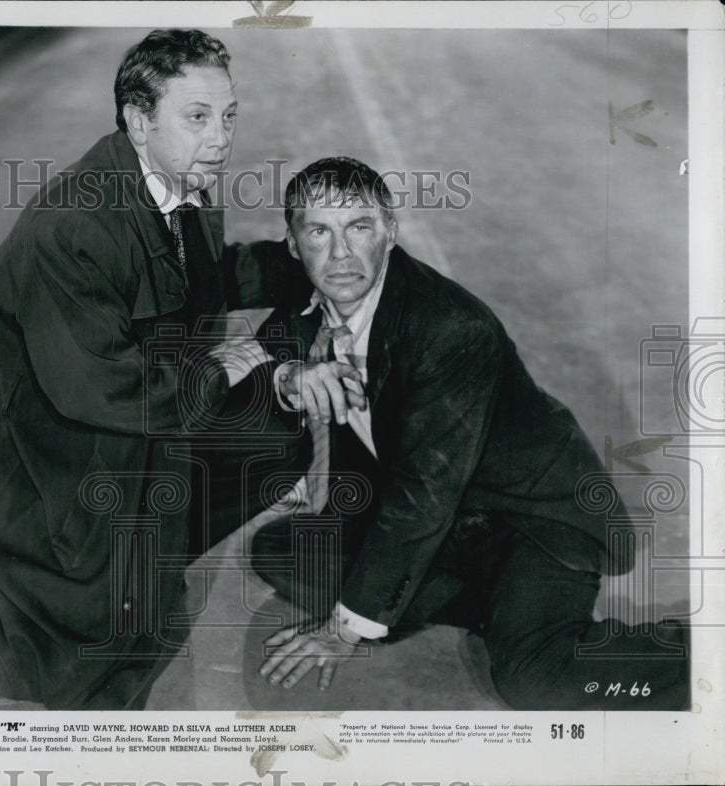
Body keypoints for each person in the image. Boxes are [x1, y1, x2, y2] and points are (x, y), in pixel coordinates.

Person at [0, 29, 339, 710]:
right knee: (104, 651)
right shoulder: (71, 229)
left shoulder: (177, 181)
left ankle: (143, 546)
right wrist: (230, 366)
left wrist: (307, 258)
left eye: (229, 115)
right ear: (138, 118)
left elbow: (200, 282)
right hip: (51, 459)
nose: (221, 137)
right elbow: (104, 387)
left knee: (277, 434)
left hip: (130, 420)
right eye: (198, 117)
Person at [250, 156, 690, 710]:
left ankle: (692, 649)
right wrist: (289, 374)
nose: (340, 252)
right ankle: (485, 600)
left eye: (359, 227)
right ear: (294, 245)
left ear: (390, 231)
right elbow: (259, 362)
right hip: (456, 522)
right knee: (283, 552)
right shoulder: (318, 290)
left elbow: (421, 495)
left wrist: (342, 631)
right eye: (319, 231)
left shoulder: (451, 328)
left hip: (531, 517)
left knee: (536, 680)